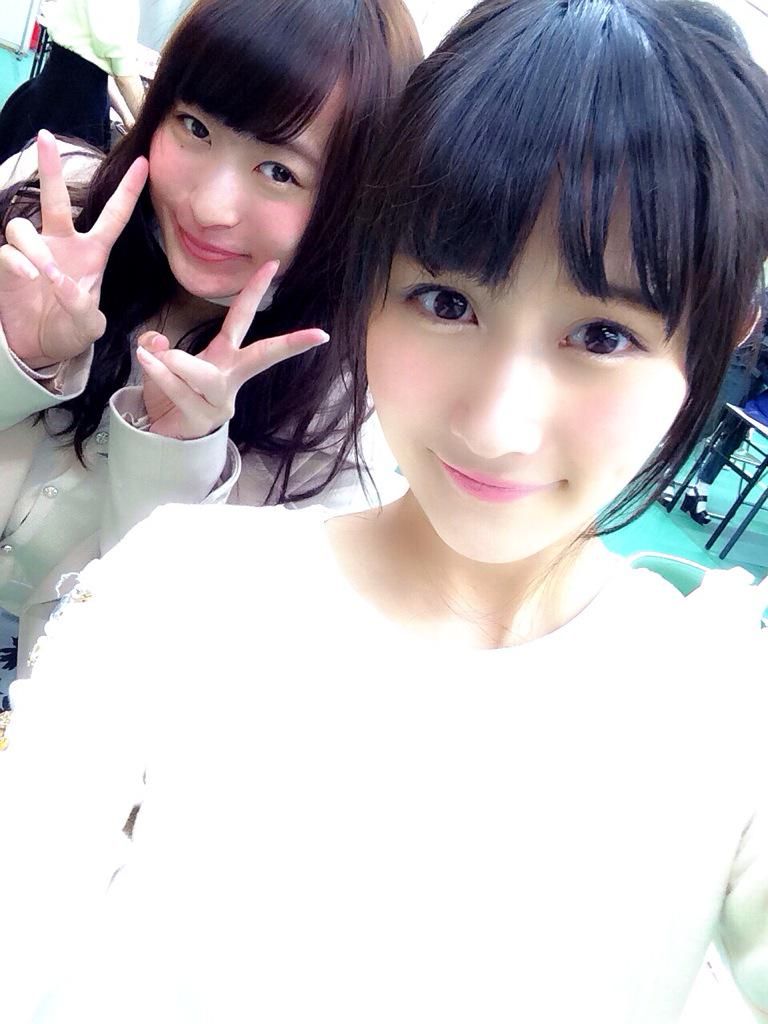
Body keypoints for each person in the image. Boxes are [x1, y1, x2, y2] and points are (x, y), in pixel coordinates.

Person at [2, 0, 768, 1021]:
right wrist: (24, 356)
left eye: (602, 334)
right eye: (447, 302)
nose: (495, 425)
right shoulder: (177, 586)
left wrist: (171, 448)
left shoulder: (719, 707)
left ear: (724, 333)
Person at [0, 0, 420, 703]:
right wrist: (16, 357)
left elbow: (189, 671)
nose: (210, 207)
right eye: (195, 127)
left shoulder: (341, 416)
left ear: (354, 201)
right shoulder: (46, 210)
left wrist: (175, 464)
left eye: (279, 171)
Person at [0, 0, 145, 160]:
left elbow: (98, 70)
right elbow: (124, 77)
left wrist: (127, 117)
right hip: (76, 116)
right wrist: (152, 120)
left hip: (44, 96)